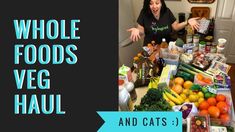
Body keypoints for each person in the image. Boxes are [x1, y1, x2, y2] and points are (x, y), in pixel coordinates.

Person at [128, 0, 200, 45]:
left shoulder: (166, 11)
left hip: (166, 46)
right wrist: (137, 30)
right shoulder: (144, 13)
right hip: (150, 48)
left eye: (157, 3)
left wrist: (187, 21)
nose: (154, 6)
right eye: (151, 3)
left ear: (161, 3)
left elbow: (176, 27)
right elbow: (141, 31)